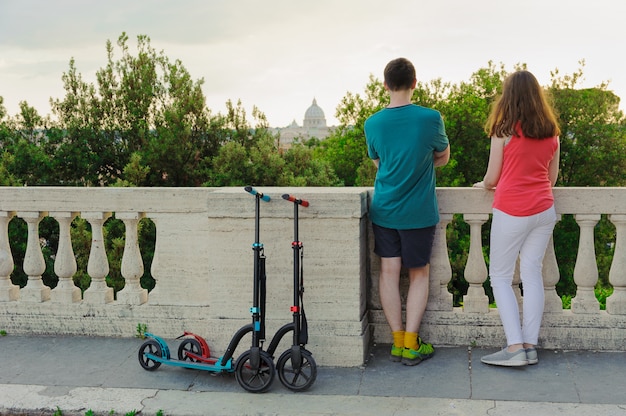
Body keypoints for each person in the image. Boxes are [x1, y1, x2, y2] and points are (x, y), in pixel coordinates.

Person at [364, 57, 450, 366]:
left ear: (385, 85)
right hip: (418, 211)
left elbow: (379, 163)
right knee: (418, 274)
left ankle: (398, 342)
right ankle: (412, 344)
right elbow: (443, 156)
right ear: (415, 83)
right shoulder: (430, 118)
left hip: (384, 208)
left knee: (388, 273)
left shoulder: (372, 123)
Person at [474, 70, 560, 367]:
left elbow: (491, 177)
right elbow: (551, 178)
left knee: (499, 276)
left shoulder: (504, 130)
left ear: (507, 96)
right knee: (532, 275)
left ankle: (514, 348)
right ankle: (529, 345)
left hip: (512, 210)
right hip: (543, 210)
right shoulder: (551, 132)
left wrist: (483, 186)